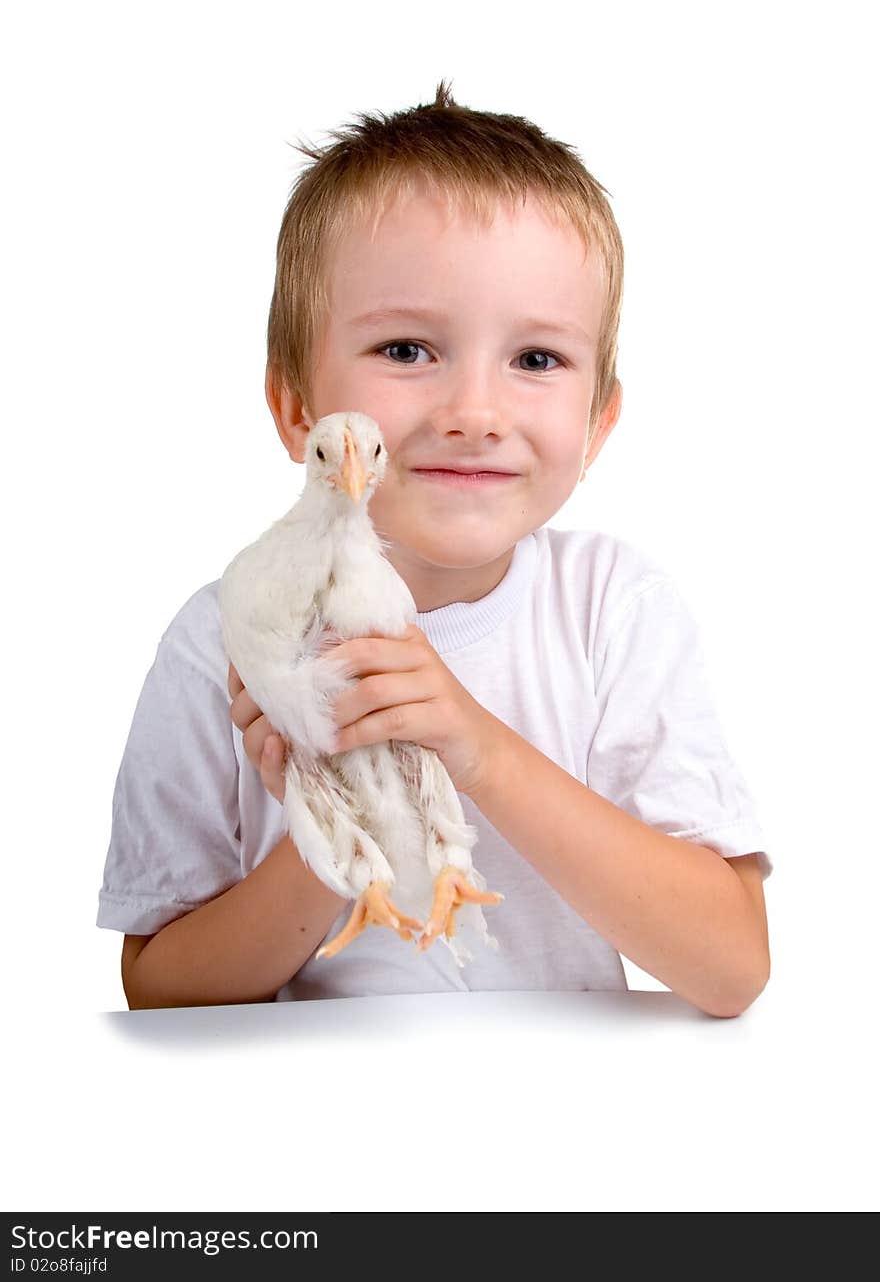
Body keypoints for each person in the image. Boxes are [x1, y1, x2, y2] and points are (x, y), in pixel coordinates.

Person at [98, 80, 772, 1016]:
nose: (474, 415)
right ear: (299, 408)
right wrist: (342, 821)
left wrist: (474, 745)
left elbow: (731, 967)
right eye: (409, 350)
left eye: (536, 359)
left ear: (599, 422)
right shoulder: (220, 641)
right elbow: (159, 991)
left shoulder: (613, 610)